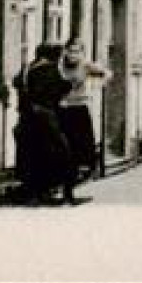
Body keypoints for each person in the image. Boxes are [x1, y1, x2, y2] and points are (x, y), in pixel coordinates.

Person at [14, 43, 79, 205]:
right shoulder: (49, 69)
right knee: (64, 152)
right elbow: (56, 90)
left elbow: (17, 84)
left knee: (32, 156)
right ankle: (67, 195)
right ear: (53, 56)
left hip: (27, 119)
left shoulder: (26, 69)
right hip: (46, 117)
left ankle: (34, 194)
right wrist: (69, 84)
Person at [57, 39, 108, 185]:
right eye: (70, 51)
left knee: (81, 143)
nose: (73, 55)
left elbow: (106, 73)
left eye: (77, 51)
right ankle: (66, 175)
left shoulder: (85, 66)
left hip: (79, 107)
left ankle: (81, 172)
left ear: (82, 53)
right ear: (65, 51)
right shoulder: (60, 66)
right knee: (65, 144)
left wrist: (97, 86)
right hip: (63, 107)